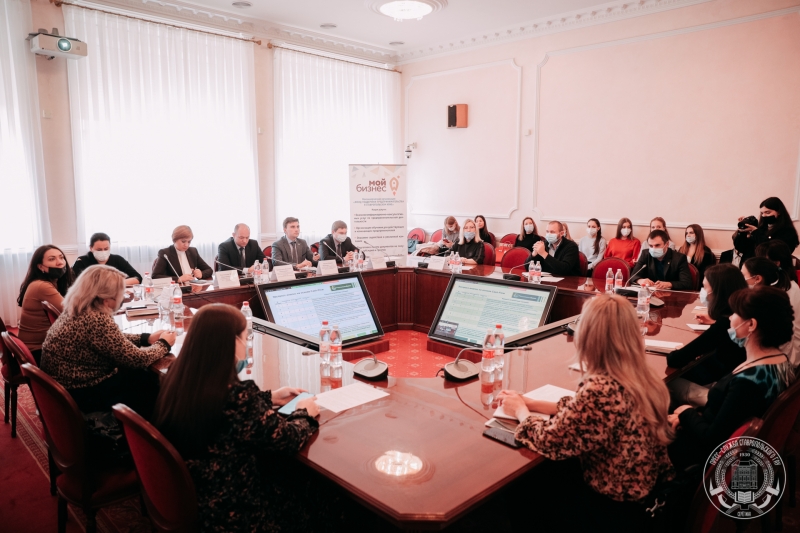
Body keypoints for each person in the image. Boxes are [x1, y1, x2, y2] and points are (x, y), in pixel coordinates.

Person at [498, 294, 674, 531]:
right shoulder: (642, 376)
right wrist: (531, 402)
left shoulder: (600, 389)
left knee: (523, 487)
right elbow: (586, 411)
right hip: (646, 493)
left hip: (614, 510)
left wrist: (519, 410)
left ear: (589, 336)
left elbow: (549, 440)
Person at [153, 304, 326, 533]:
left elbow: (219, 406)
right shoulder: (237, 397)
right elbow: (287, 439)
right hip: (235, 511)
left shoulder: (179, 375)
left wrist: (270, 397)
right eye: (246, 338)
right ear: (233, 342)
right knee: (322, 493)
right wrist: (304, 412)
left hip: (199, 495)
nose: (247, 344)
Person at [668, 286, 795, 470]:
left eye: (735, 313)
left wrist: (687, 413)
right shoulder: (780, 360)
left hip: (707, 460)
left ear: (751, 325)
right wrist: (692, 416)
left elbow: (712, 440)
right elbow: (727, 415)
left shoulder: (747, 383)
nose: (730, 318)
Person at [41, 265, 175, 417]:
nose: (122, 298)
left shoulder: (80, 307)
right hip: (83, 392)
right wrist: (164, 344)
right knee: (148, 379)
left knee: (138, 374)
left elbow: (110, 339)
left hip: (65, 386)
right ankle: (151, 426)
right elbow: (138, 359)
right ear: (106, 300)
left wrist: (146, 338)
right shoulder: (96, 319)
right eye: (121, 294)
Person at [666, 264, 748, 403]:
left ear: (717, 291)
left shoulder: (724, 325)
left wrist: (678, 351)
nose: (702, 291)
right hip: (730, 377)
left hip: (720, 386)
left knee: (661, 382)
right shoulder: (742, 313)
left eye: (704, 287)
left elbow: (675, 359)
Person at [17, 245, 75, 362]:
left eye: (61, 257)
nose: (60, 262)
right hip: (37, 351)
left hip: (44, 345)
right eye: (52, 259)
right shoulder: (41, 286)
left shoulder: (52, 282)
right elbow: (72, 311)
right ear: (40, 267)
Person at [743, 257, 800, 365]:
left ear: (757, 278)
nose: (742, 279)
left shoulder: (769, 304)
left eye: (743, 275)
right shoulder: (767, 296)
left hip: (774, 361)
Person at [734, 197, 799, 262]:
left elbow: (773, 251)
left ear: (779, 212)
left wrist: (756, 232)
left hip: (769, 266)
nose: (764, 215)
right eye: (762, 213)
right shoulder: (761, 227)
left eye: (768, 212)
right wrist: (742, 233)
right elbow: (741, 248)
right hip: (750, 264)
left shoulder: (787, 231)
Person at [72, 233, 142, 285]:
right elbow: (76, 284)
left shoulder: (118, 259)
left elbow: (138, 278)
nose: (103, 252)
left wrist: (118, 283)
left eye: (106, 249)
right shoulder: (82, 262)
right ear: (91, 248)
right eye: (99, 250)